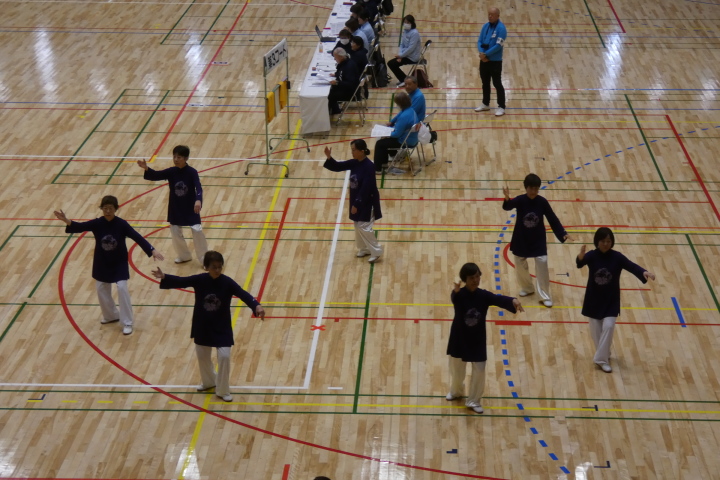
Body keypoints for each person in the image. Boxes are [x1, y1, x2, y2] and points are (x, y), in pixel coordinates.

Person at [152, 251, 266, 402]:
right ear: (206, 267)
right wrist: (165, 277)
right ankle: (209, 381)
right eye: (214, 267)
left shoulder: (227, 282)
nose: (217, 270)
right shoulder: (200, 280)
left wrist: (256, 305)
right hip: (203, 325)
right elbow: (182, 281)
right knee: (203, 357)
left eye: (219, 267)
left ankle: (223, 390)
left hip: (221, 326)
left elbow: (243, 294)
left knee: (224, 356)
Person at [54, 195, 165, 335]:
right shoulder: (97, 223)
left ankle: (127, 322)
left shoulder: (122, 224)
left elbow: (137, 236)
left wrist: (152, 250)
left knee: (122, 288)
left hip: (119, 262)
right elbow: (80, 227)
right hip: (102, 262)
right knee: (101, 288)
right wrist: (66, 220)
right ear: (101, 209)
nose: (107, 211)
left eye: (110, 208)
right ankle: (111, 315)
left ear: (116, 209)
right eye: (105, 208)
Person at [446, 262, 523, 413]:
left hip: (477, 339)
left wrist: (512, 300)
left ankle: (474, 400)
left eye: (477, 276)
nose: (475, 280)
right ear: (465, 279)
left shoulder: (483, 295)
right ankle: (456, 391)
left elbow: (498, 299)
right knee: (456, 369)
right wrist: (455, 291)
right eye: (471, 278)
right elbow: (455, 298)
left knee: (480, 371)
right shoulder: (459, 295)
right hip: (459, 338)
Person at [577, 228, 655, 373]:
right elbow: (580, 263)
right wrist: (580, 256)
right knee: (596, 333)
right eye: (603, 241)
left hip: (611, 300)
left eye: (608, 241)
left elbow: (631, 266)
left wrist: (643, 272)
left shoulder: (617, 257)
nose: (606, 244)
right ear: (597, 242)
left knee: (609, 326)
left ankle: (601, 360)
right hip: (593, 300)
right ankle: (604, 354)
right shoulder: (592, 255)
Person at [502, 174, 572, 308]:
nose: (533, 191)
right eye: (531, 188)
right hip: (521, 238)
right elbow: (508, 206)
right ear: (526, 188)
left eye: (536, 189)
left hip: (538, 239)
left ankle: (545, 296)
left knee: (542, 263)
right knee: (519, 263)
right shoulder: (520, 200)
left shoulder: (542, 202)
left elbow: (552, 218)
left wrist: (562, 233)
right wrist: (506, 197)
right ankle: (527, 287)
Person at [137, 145, 208, 265]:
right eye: (174, 156)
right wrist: (146, 168)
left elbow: (199, 188)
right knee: (175, 232)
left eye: (179, 157)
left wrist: (198, 200)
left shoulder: (192, 172)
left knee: (197, 231)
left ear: (186, 158)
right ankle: (184, 256)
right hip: (176, 207)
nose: (175, 159)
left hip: (191, 208)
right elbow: (156, 175)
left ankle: (204, 259)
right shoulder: (171, 171)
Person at [323, 140, 383, 263]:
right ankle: (364, 248)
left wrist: (356, 204)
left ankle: (377, 251)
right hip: (357, 198)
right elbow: (338, 166)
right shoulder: (354, 163)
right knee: (357, 225)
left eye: (354, 150)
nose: (352, 152)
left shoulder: (369, 167)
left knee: (363, 226)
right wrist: (329, 157)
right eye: (351, 150)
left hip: (368, 201)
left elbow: (366, 188)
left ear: (362, 151)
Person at [373, 91, 418, 173]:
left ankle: (378, 169)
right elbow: (399, 115)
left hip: (406, 141)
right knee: (385, 141)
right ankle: (385, 162)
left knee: (380, 144)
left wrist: (386, 134)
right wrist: (392, 122)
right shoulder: (410, 110)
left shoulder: (404, 116)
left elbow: (397, 134)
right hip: (412, 138)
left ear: (400, 104)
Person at [474, 7, 507, 116]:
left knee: (497, 83)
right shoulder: (485, 26)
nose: (490, 16)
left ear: (498, 16)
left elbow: (498, 46)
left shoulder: (501, 29)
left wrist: (486, 54)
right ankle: (485, 103)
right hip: (484, 60)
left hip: (495, 61)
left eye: (492, 15)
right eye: (489, 14)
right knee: (485, 83)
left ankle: (501, 106)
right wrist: (481, 53)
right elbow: (480, 41)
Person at [387, 15, 421, 87]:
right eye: (405, 22)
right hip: (405, 55)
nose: (406, 24)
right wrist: (400, 55)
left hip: (412, 57)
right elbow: (402, 44)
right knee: (391, 63)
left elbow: (411, 48)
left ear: (412, 23)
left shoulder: (414, 33)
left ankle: (404, 80)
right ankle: (404, 79)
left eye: (408, 22)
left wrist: (401, 56)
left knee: (392, 64)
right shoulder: (405, 31)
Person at [328, 48, 361, 115]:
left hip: (350, 92)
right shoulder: (344, 62)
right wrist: (336, 74)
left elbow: (350, 84)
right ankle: (333, 109)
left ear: (341, 57)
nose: (334, 59)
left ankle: (335, 110)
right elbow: (341, 73)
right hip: (345, 88)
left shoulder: (349, 66)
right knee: (331, 90)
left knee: (330, 95)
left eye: (335, 57)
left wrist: (337, 83)